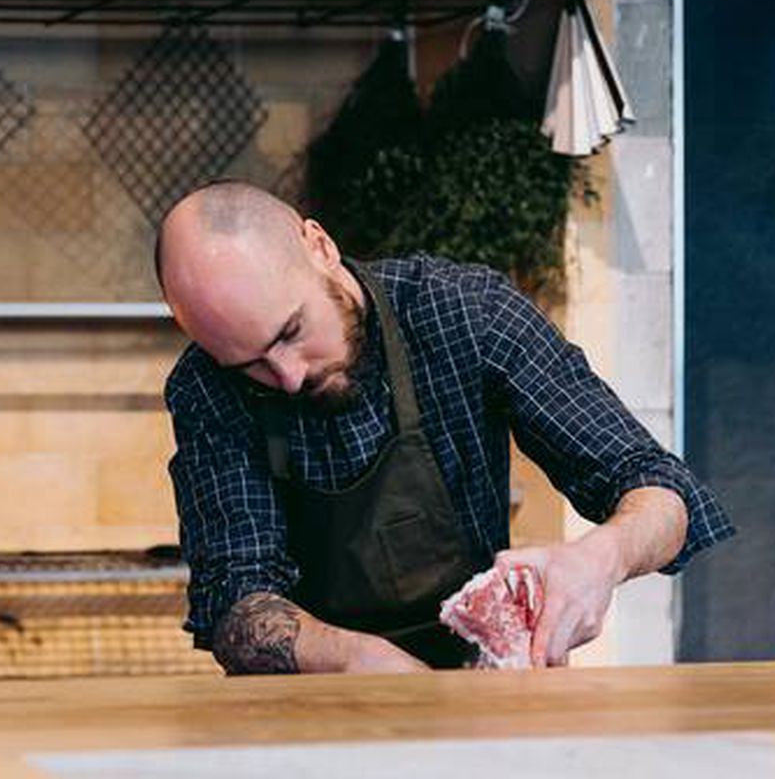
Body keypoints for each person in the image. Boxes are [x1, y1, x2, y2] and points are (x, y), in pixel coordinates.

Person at [157, 180, 734, 674]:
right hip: (308, 705)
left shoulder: (462, 313)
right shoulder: (207, 387)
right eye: (250, 364)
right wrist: (359, 662)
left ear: (319, 246)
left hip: (482, 684)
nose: (285, 376)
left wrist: (601, 558)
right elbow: (237, 600)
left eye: (290, 333)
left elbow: (660, 489)